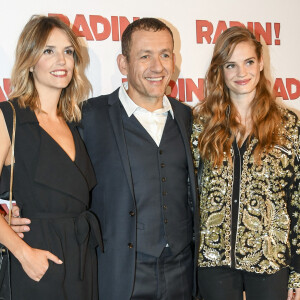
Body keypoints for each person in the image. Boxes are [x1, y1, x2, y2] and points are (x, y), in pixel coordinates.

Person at [80, 18, 198, 299]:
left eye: (165, 54)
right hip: (121, 274)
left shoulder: (188, 118)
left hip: (182, 272)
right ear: (123, 64)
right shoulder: (90, 117)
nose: (158, 67)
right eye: (145, 56)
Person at [191, 26, 300, 300]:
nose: (242, 73)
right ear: (220, 70)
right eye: (231, 65)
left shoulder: (289, 125)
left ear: (261, 63)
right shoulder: (200, 124)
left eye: (249, 62)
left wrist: (298, 270)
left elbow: (297, 198)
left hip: (270, 259)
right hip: (213, 260)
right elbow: (188, 195)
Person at [0, 15, 101, 300]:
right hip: (34, 262)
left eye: (68, 51)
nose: (62, 60)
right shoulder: (8, 117)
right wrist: (23, 253)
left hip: (81, 261)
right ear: (30, 60)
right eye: (49, 51)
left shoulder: (72, 122)